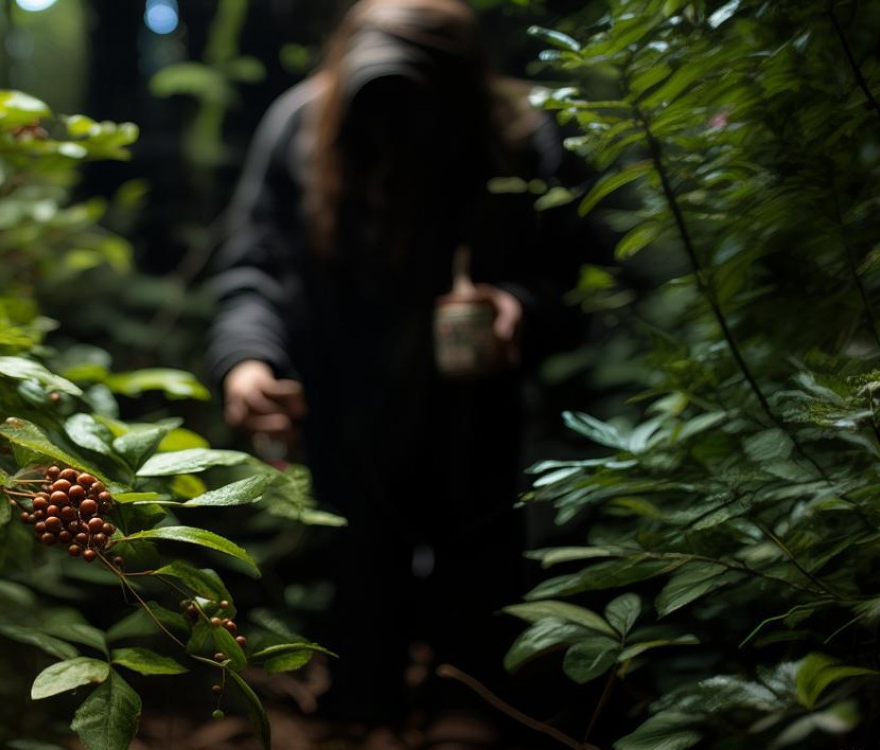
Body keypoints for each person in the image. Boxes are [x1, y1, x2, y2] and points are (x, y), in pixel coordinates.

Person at [202, 0, 606, 738]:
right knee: (359, 575)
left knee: (481, 572)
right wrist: (247, 360)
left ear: (457, 89)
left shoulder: (517, 132)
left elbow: (581, 275)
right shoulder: (302, 128)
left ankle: (468, 705)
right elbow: (256, 268)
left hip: (476, 415)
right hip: (344, 402)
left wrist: (520, 306)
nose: (394, 120)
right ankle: (365, 708)